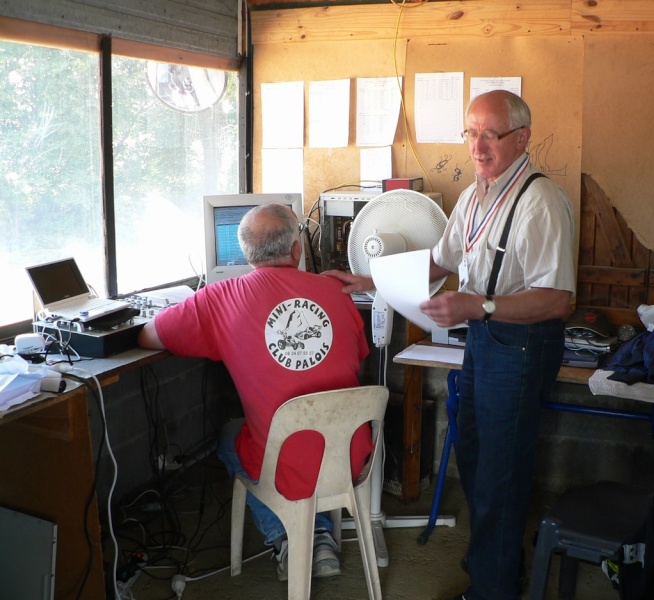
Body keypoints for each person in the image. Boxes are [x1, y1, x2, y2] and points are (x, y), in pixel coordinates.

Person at [325, 90, 575, 600]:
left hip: (522, 346)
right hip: (486, 339)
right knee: (481, 461)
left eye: (491, 134)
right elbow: (438, 262)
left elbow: (556, 300)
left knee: (501, 472)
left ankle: (494, 588)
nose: (478, 147)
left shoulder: (539, 200)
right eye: (470, 133)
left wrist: (477, 306)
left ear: (522, 138)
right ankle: (499, 564)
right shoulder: (474, 195)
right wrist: (364, 279)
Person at [138, 203, 372, 581]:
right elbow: (357, 357)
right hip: (351, 456)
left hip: (285, 464)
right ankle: (320, 536)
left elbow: (149, 336)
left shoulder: (218, 299)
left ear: (245, 253)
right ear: (297, 251)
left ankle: (289, 540)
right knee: (316, 435)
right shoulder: (337, 291)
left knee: (230, 435)